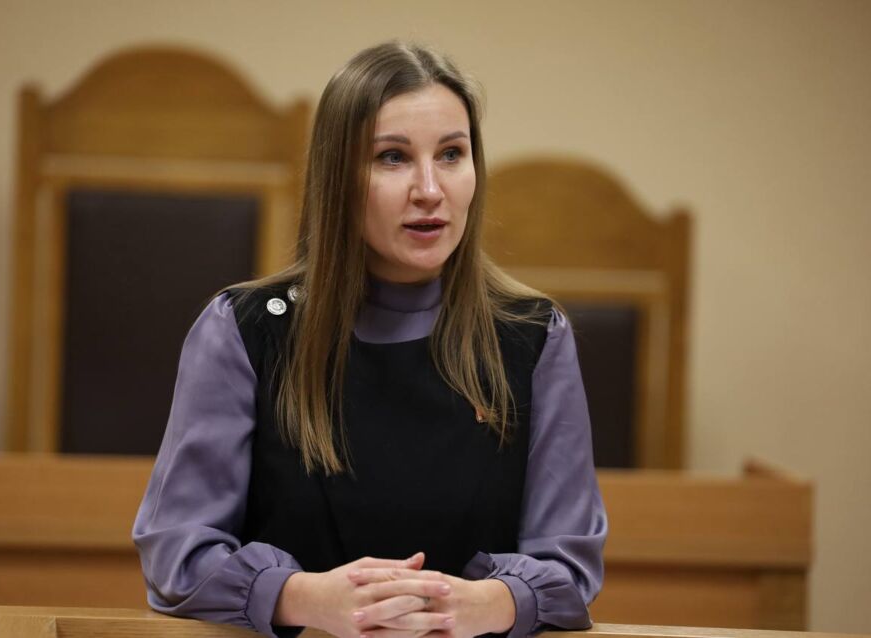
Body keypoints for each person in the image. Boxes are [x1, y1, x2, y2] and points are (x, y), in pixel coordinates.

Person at [133, 41, 607, 638]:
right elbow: (176, 553)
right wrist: (306, 599)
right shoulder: (246, 328)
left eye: (452, 154)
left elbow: (569, 567)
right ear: (339, 176)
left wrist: (482, 604)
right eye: (392, 157)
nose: (429, 189)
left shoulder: (534, 336)